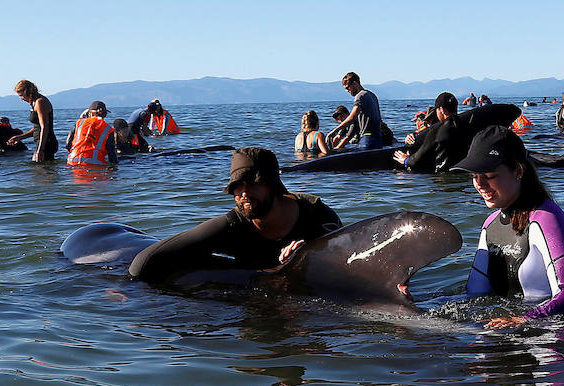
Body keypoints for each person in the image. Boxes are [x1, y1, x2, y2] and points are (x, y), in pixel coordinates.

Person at [129, 147, 343, 283]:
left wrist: (311, 253)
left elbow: (346, 261)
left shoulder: (317, 216)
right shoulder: (233, 226)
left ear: (273, 186)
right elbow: (146, 259)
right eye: (237, 187)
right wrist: (126, 289)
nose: (244, 193)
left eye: (252, 185)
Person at [451, 125, 564, 327]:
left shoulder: (547, 219)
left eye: (489, 176)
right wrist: (412, 304)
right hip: (503, 328)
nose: (480, 185)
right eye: (474, 176)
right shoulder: (490, 226)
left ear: (518, 171)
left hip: (546, 335)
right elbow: (473, 296)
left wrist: (525, 320)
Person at [393, 92, 472, 173]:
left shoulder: (436, 130)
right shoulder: (468, 126)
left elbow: (417, 160)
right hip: (464, 174)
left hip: (443, 177)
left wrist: (406, 160)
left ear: (442, 110)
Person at [7, 80, 58, 161]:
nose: (22, 99)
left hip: (46, 144)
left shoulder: (40, 102)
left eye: (21, 95)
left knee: (43, 170)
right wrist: (20, 137)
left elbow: (44, 127)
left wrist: (40, 150)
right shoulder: (34, 103)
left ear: (27, 92)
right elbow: (37, 128)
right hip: (41, 143)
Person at [332, 72, 382, 149]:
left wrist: (334, 130)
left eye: (347, 88)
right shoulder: (372, 95)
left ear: (355, 84)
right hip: (378, 138)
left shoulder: (360, 96)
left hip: (367, 138)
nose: (347, 91)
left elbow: (352, 116)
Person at [65, 101, 117, 166]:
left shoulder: (79, 123)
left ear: (89, 113)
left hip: (73, 163)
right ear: (105, 114)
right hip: (95, 166)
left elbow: (68, 145)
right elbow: (112, 155)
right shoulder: (108, 129)